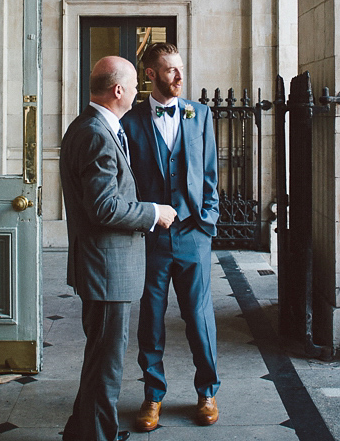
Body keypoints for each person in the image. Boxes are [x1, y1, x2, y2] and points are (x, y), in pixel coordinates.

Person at [60, 55, 177, 441]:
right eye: (135, 85)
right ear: (118, 90)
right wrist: (152, 213)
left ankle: (82, 431)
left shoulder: (90, 126)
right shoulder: (95, 132)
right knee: (106, 364)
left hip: (102, 267)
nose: (140, 92)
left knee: (99, 359)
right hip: (106, 269)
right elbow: (103, 207)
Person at [120, 43, 221, 431]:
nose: (179, 76)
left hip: (194, 234)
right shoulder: (130, 122)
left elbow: (210, 173)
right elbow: (126, 183)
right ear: (150, 76)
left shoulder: (201, 114)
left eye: (180, 68)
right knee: (152, 319)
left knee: (199, 317)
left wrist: (207, 219)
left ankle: (207, 391)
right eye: (170, 70)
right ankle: (153, 395)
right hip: (151, 237)